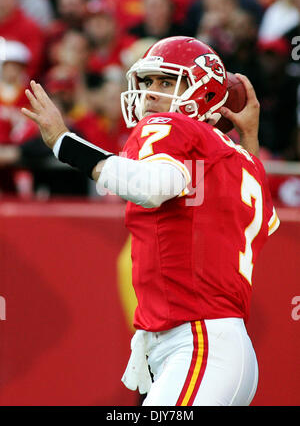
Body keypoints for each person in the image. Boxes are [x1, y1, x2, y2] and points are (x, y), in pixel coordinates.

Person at [21, 36, 280, 406]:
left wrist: (64, 142)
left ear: (202, 92)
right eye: (146, 82)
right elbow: (262, 224)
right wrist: (250, 138)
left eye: (165, 81)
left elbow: (152, 185)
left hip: (198, 344)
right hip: (211, 347)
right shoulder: (238, 159)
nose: (151, 93)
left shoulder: (175, 129)